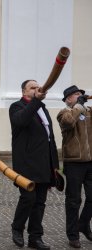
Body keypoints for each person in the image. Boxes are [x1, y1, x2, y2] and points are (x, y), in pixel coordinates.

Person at [9, 80, 59, 250]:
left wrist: (55, 167)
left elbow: (49, 137)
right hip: (26, 163)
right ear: (23, 91)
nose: (37, 89)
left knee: (40, 202)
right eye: (32, 87)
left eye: (38, 87)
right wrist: (37, 100)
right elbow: (21, 121)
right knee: (28, 198)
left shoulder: (42, 108)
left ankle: (35, 237)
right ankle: (17, 228)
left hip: (44, 164)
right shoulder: (16, 107)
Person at [57, 85, 92, 248]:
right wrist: (78, 105)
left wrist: (83, 107)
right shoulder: (64, 113)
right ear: (67, 99)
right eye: (76, 95)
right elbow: (69, 123)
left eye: (81, 95)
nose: (80, 97)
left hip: (90, 162)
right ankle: (73, 234)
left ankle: (83, 224)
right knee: (74, 200)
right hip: (74, 163)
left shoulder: (88, 112)